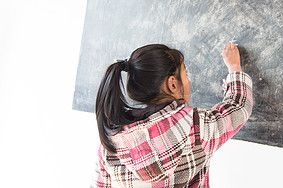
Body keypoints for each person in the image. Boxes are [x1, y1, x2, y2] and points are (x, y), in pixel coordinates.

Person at [92, 43, 253, 187]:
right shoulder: (195, 127)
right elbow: (238, 106)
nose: (188, 80)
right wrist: (234, 68)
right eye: (185, 74)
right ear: (173, 84)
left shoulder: (111, 140)